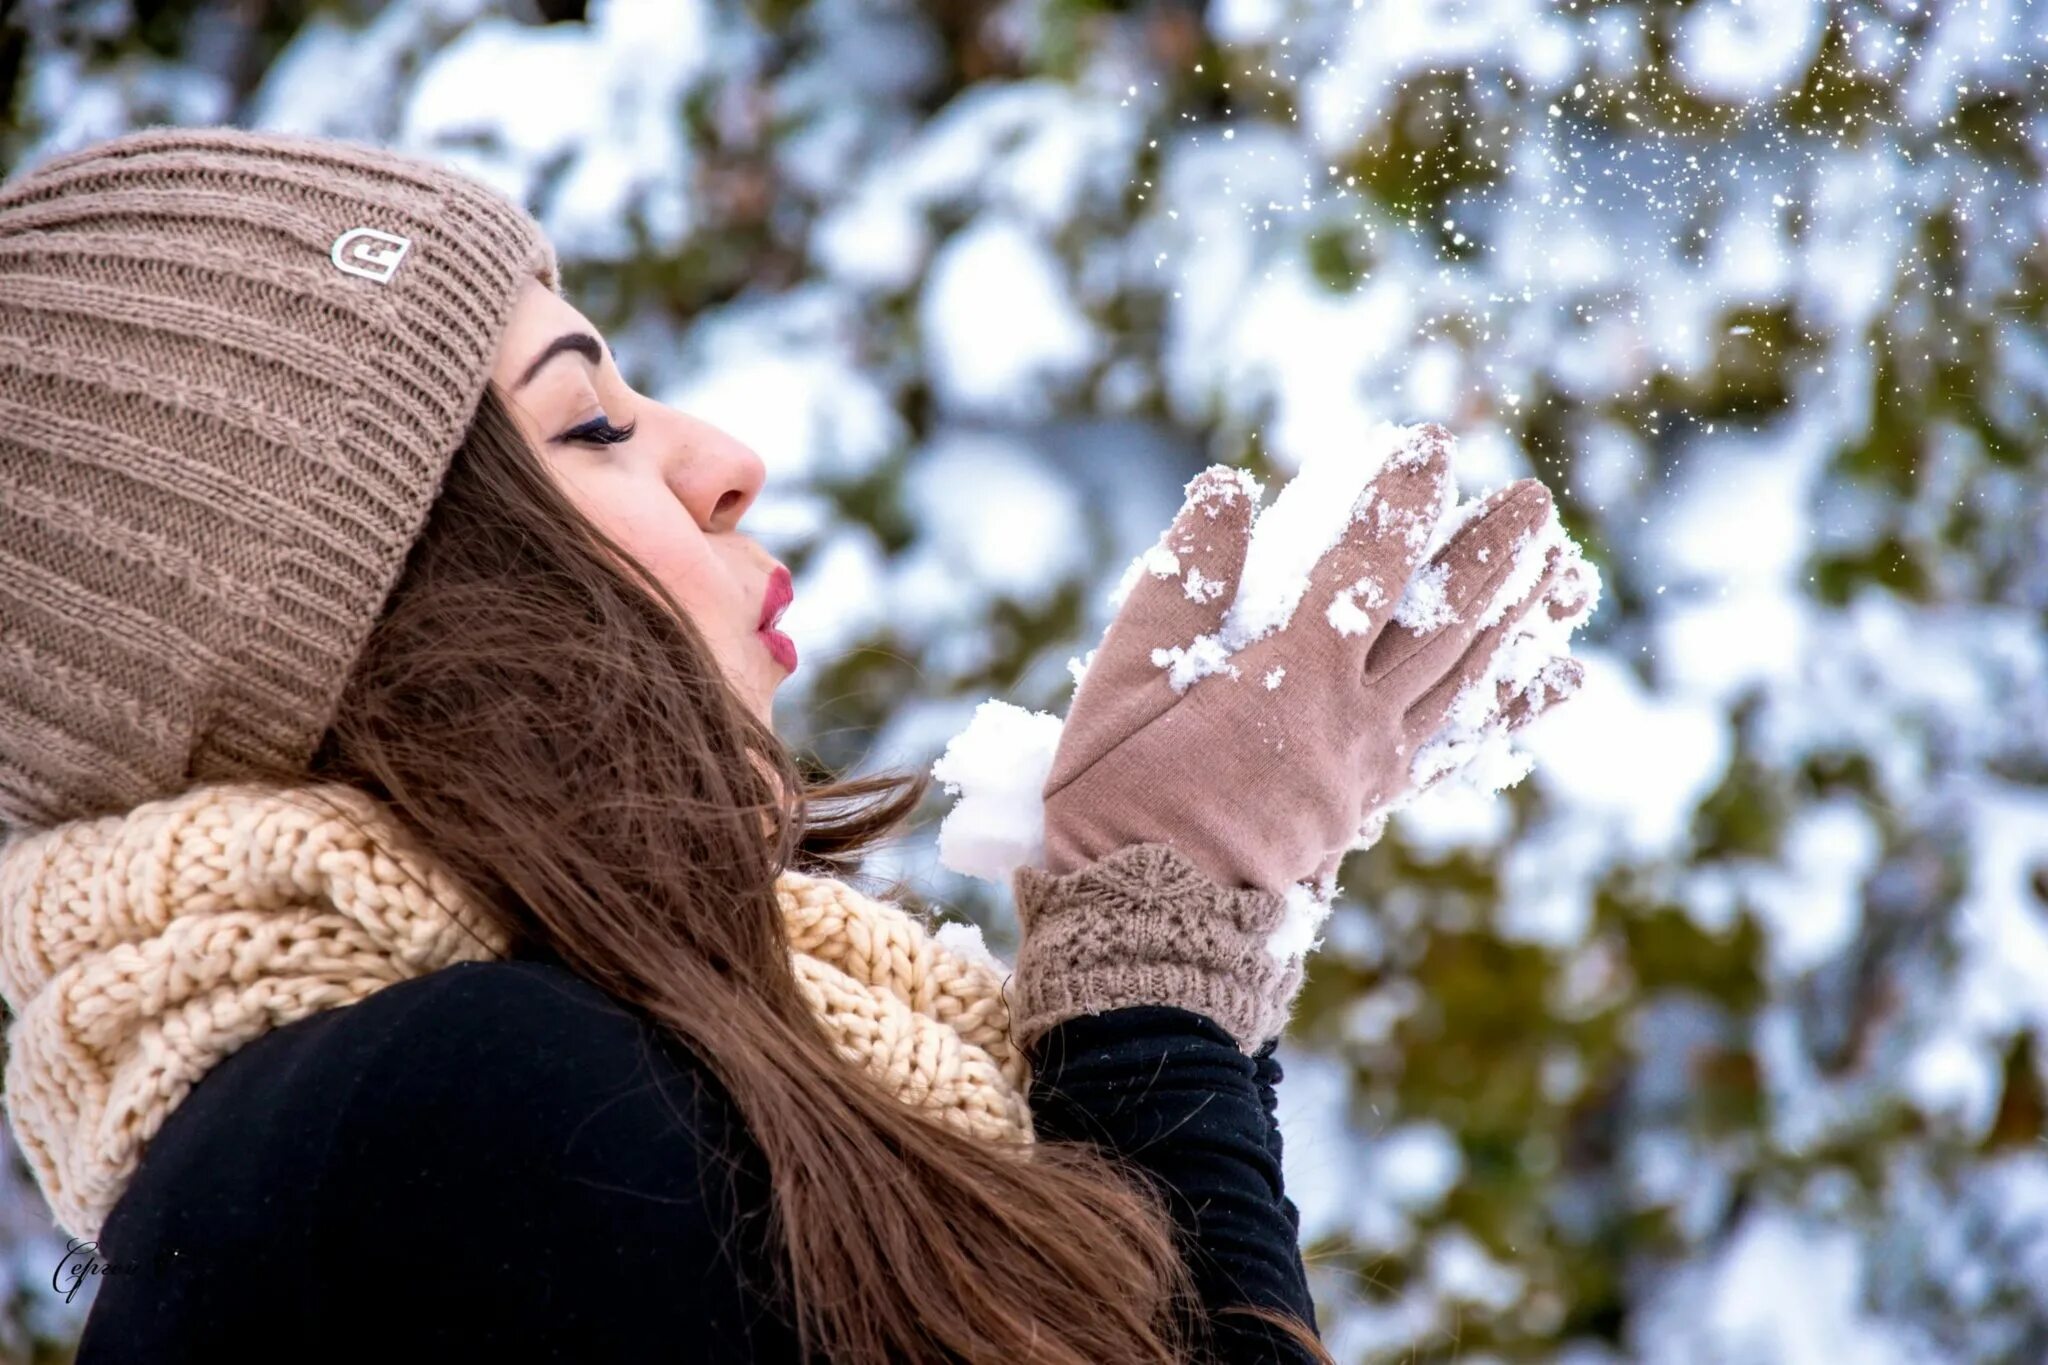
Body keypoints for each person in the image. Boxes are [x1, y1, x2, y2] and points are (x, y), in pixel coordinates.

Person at [0, 126, 1585, 1363]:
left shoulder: (394, 1125)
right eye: (592, 427)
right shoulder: (461, 1120)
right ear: (396, 609)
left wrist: (1156, 932)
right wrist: (1158, 1002)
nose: (728, 459)